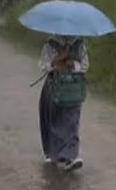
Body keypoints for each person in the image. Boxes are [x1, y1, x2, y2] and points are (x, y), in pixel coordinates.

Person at [38, 34, 88, 172]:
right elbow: (43, 65)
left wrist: (72, 64)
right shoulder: (50, 44)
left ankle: (71, 156)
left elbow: (85, 66)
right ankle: (53, 153)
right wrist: (56, 63)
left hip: (73, 87)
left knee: (72, 120)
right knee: (52, 119)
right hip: (54, 86)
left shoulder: (79, 45)